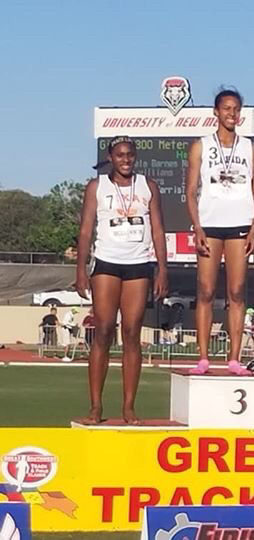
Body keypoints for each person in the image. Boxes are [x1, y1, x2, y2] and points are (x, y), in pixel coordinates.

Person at [76, 136, 168, 424]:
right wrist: (80, 270)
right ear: (110, 158)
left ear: (135, 157)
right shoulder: (97, 186)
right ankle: (96, 407)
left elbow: (158, 230)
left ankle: (129, 406)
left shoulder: (148, 186)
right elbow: (85, 230)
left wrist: (162, 269)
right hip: (106, 263)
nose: (125, 160)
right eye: (119, 155)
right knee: (104, 331)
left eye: (130, 155)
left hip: (138, 265)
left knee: (131, 333)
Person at [186, 89, 254, 375]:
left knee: (237, 292)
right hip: (210, 225)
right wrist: (197, 226)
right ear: (216, 112)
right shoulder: (201, 146)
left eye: (236, 109)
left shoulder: (250, 148)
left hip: (240, 224)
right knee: (206, 290)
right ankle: (203, 357)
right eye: (227, 109)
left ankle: (234, 359)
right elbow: (190, 190)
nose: (232, 114)